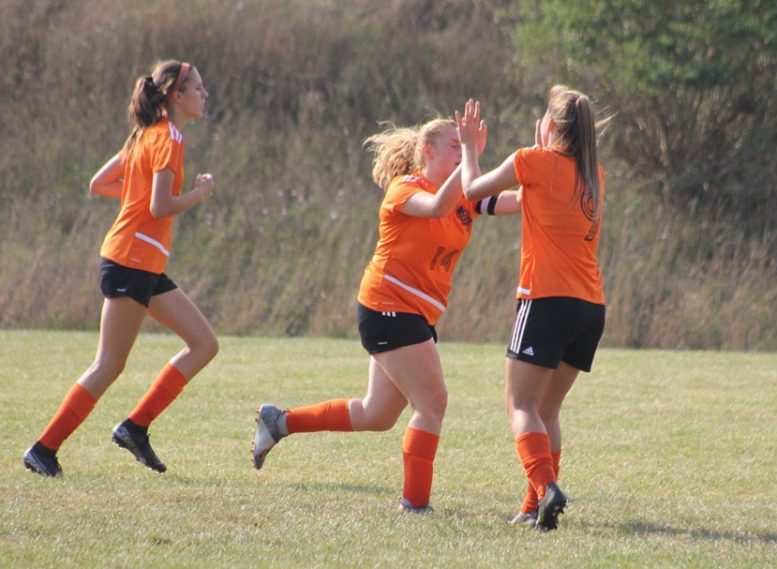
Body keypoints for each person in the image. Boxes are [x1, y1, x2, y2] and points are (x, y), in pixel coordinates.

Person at [252, 102, 521, 513]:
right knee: (432, 403)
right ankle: (415, 505)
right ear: (427, 152)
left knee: (375, 414)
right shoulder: (407, 189)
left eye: (463, 145)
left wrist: (553, 176)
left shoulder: (462, 193)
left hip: (413, 313)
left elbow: (508, 201)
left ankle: (280, 421)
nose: (462, 150)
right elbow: (435, 209)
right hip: (388, 306)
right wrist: (470, 159)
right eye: (454, 144)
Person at [23, 60, 219, 477]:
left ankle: (136, 426)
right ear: (176, 96)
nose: (205, 95)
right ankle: (43, 449)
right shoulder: (167, 137)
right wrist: (198, 194)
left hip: (142, 262)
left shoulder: (146, 134)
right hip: (131, 261)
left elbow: (100, 183)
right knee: (109, 364)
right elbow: (159, 206)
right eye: (198, 88)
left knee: (204, 343)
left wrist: (135, 195)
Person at [457, 89, 606, 530]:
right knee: (546, 410)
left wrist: (468, 147)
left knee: (520, 404)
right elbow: (493, 204)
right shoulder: (593, 173)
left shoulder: (533, 161)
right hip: (590, 308)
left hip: (545, 299)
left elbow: (470, 189)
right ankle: (532, 507)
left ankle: (546, 490)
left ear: (551, 128)